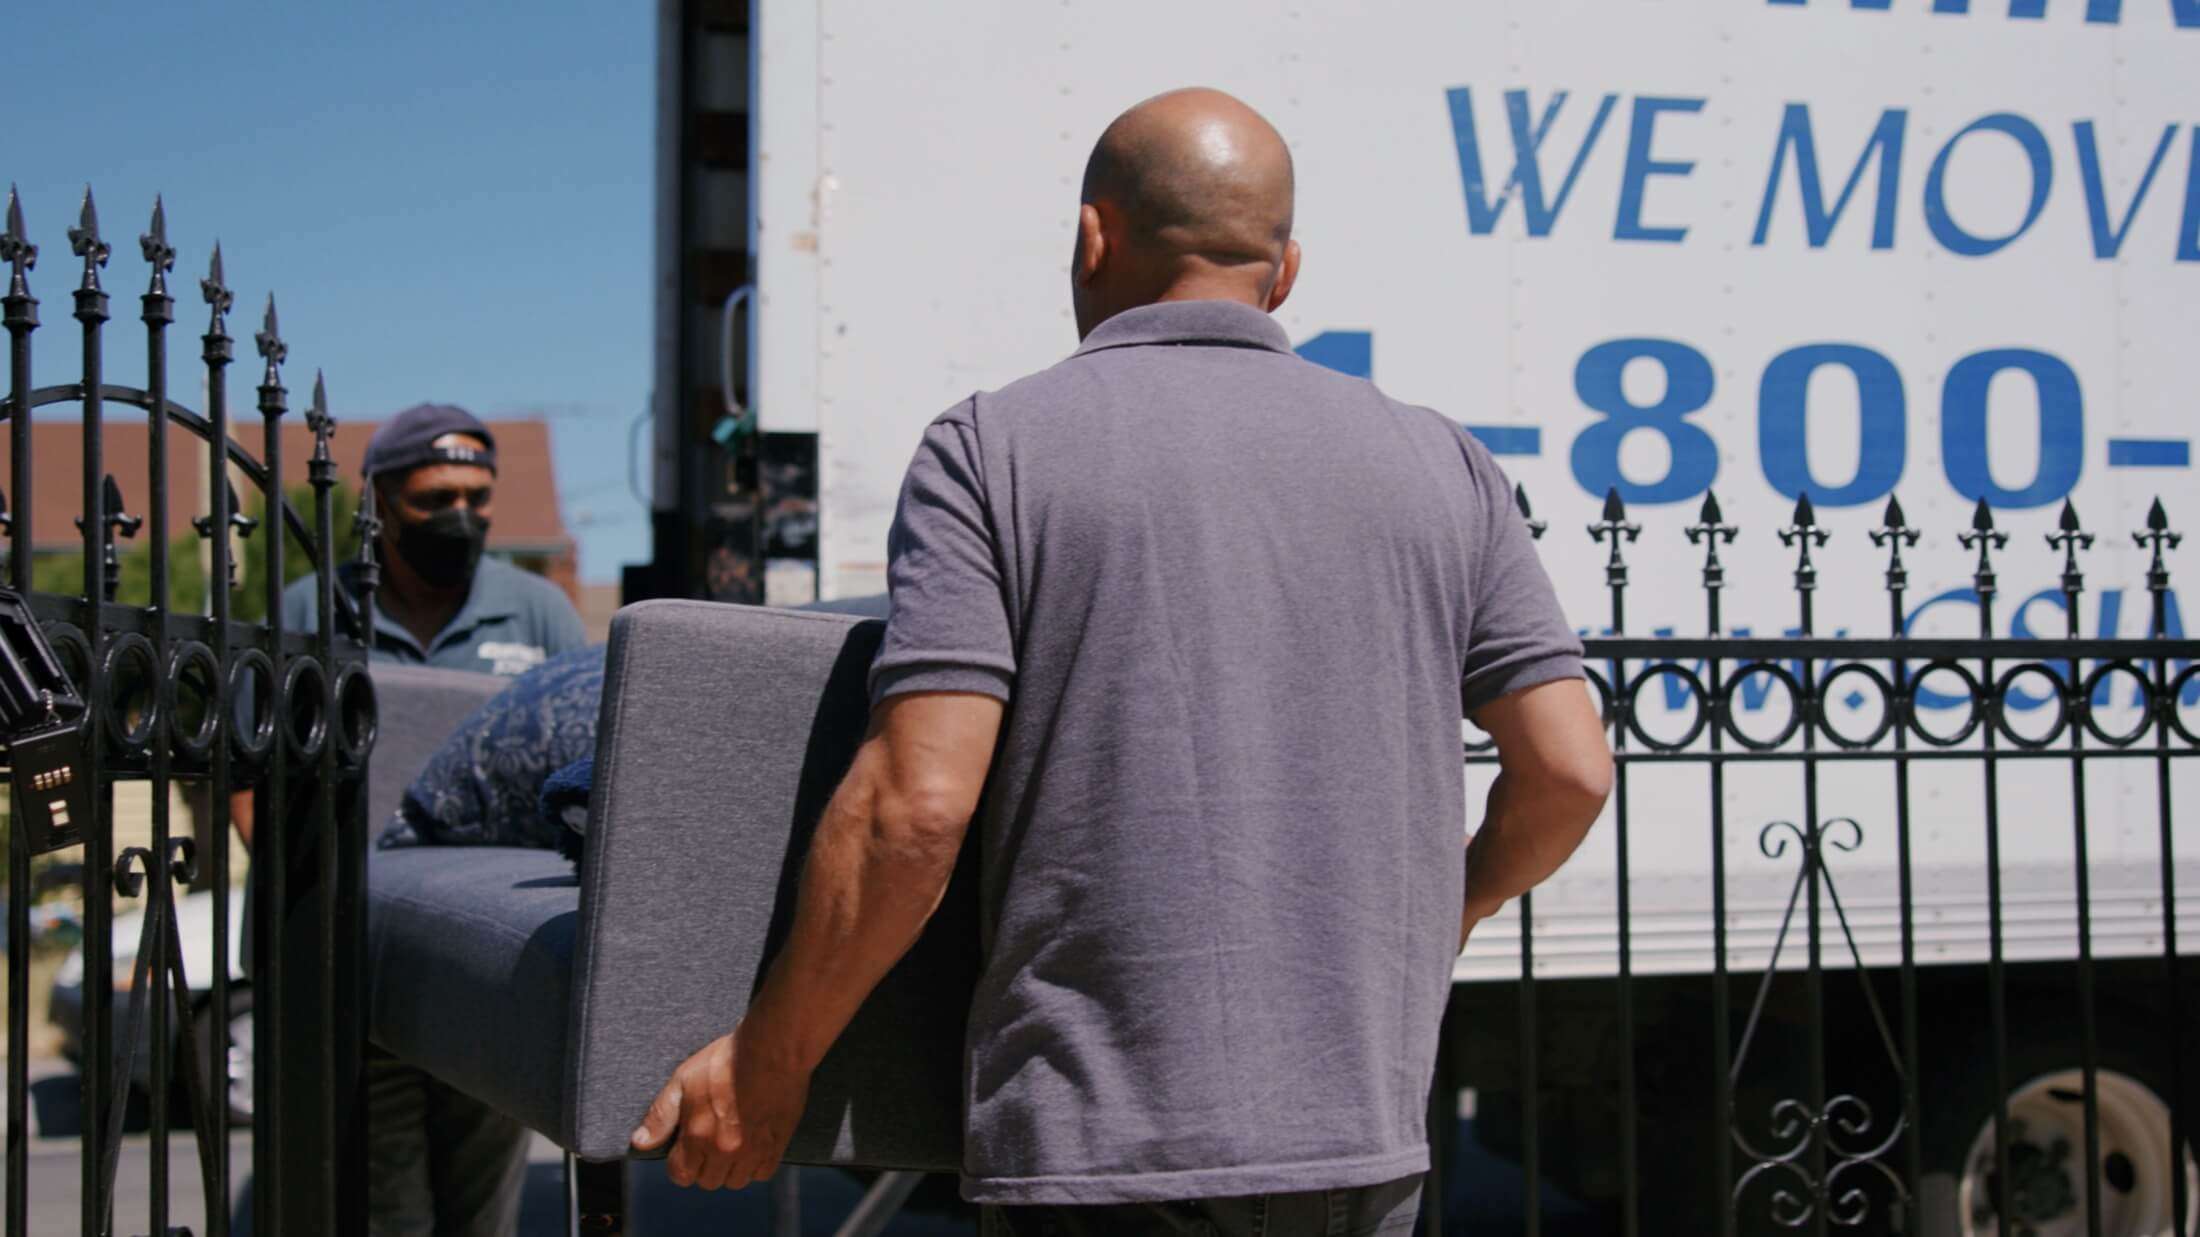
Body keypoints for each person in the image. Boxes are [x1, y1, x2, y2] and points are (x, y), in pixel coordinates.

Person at [632, 88, 1613, 1235]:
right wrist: (1452, 906)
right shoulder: (1444, 463)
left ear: (1091, 238)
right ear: (1285, 270)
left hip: (1099, 1153)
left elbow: (914, 807)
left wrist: (771, 1054)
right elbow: (1569, 772)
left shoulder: (991, 448)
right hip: (1360, 1144)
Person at [277, 402, 589, 1237]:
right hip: (355, 950)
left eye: (476, 497)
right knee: (384, 1204)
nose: (461, 515)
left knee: (482, 1203)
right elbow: (245, 775)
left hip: (488, 953)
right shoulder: (310, 608)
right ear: (378, 501)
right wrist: (306, 889)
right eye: (435, 497)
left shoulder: (536, 611)